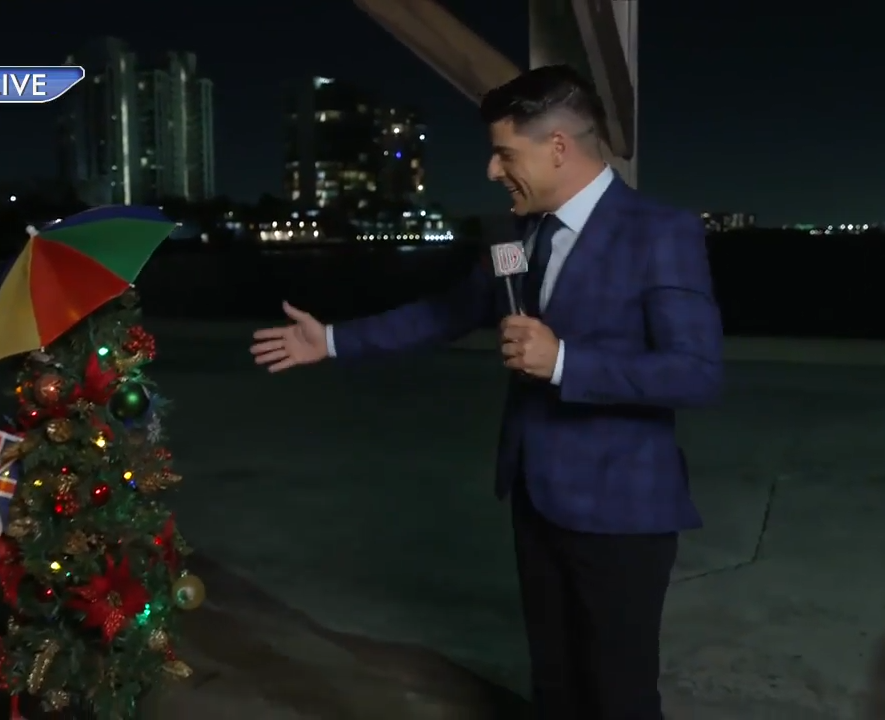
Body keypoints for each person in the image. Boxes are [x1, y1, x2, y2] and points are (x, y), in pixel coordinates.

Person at [249, 64, 723, 720]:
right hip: (534, 494)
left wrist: (565, 362)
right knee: (553, 685)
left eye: (505, 154)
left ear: (557, 147)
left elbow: (697, 371)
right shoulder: (515, 238)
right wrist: (330, 340)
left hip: (622, 512)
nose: (492, 170)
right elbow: (447, 312)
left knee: (619, 697)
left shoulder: (659, 232)